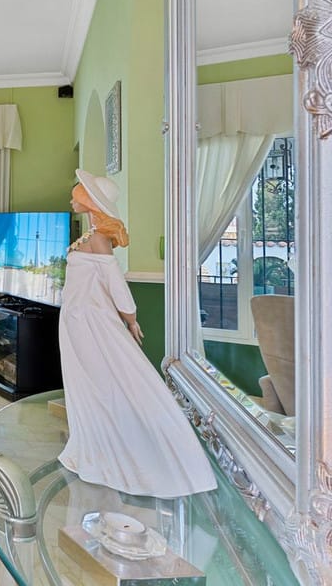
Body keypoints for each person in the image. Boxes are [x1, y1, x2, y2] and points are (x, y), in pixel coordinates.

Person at [58, 169, 216, 498]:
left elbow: (115, 283)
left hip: (90, 321)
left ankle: (121, 453)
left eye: (78, 195)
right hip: (75, 319)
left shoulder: (99, 240)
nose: (73, 199)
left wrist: (130, 318)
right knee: (85, 383)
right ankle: (91, 446)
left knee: (104, 384)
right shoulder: (89, 237)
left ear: (90, 202)